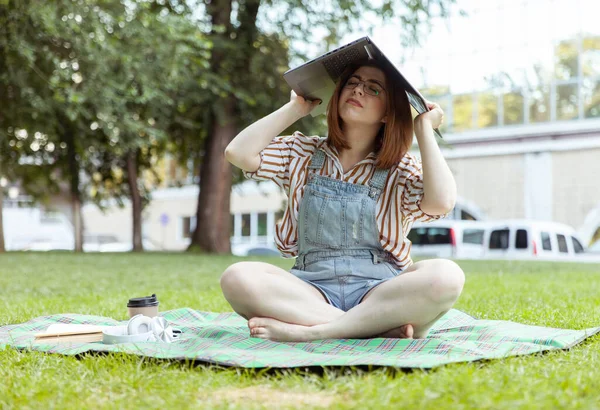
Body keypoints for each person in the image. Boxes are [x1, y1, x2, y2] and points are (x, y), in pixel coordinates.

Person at [221, 59, 465, 342]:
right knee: (237, 277)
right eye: (352, 82)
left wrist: (422, 128)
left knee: (446, 276)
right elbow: (237, 153)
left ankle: (315, 332)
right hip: (310, 288)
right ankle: (375, 329)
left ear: (388, 113)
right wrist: (296, 108)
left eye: (373, 89)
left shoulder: (400, 168)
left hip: (380, 289)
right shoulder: (301, 152)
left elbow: (442, 202)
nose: (359, 90)